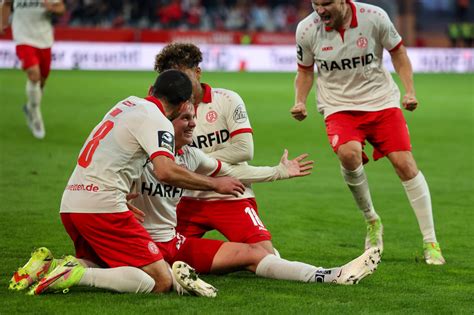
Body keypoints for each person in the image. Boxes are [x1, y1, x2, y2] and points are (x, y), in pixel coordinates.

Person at [9, 69, 245, 297]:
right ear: (184, 104)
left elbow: (114, 155)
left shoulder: (125, 104)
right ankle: (75, 275)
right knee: (159, 280)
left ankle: (48, 267)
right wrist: (215, 184)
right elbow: (165, 171)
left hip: (71, 202)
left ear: (151, 89)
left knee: (101, 262)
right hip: (102, 206)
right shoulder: (159, 121)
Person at [128, 102, 381, 287]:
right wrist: (121, 203)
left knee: (257, 253)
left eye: (193, 117)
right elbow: (104, 183)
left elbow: (233, 170)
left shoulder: (191, 155)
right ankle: (173, 281)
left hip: (173, 243)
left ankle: (331, 275)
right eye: (185, 118)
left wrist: (279, 171)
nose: (194, 123)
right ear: (165, 122)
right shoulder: (138, 155)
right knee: (153, 280)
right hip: (138, 243)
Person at [290, 0, 445, 265]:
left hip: (381, 101)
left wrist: (410, 91)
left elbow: (398, 52)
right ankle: (372, 220)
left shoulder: (375, 17)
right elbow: (304, 71)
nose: (320, 10)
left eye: (326, 3)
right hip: (338, 106)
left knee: (405, 164)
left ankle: (431, 241)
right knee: (349, 155)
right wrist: (300, 100)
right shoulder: (306, 30)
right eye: (316, 4)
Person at [154, 42, 279, 257]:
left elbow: (244, 149)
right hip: (187, 198)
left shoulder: (227, 100)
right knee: (161, 257)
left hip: (232, 194)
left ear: (198, 72)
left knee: (265, 254)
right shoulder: (163, 110)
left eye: (183, 76)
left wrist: (194, 161)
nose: (178, 85)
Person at [0, 0, 65, 139]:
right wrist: (3, 23)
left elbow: (61, 8)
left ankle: (29, 107)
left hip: (45, 40)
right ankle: (35, 115)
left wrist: (52, 7)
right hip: (23, 39)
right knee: (34, 75)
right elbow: (6, 4)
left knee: (41, 81)